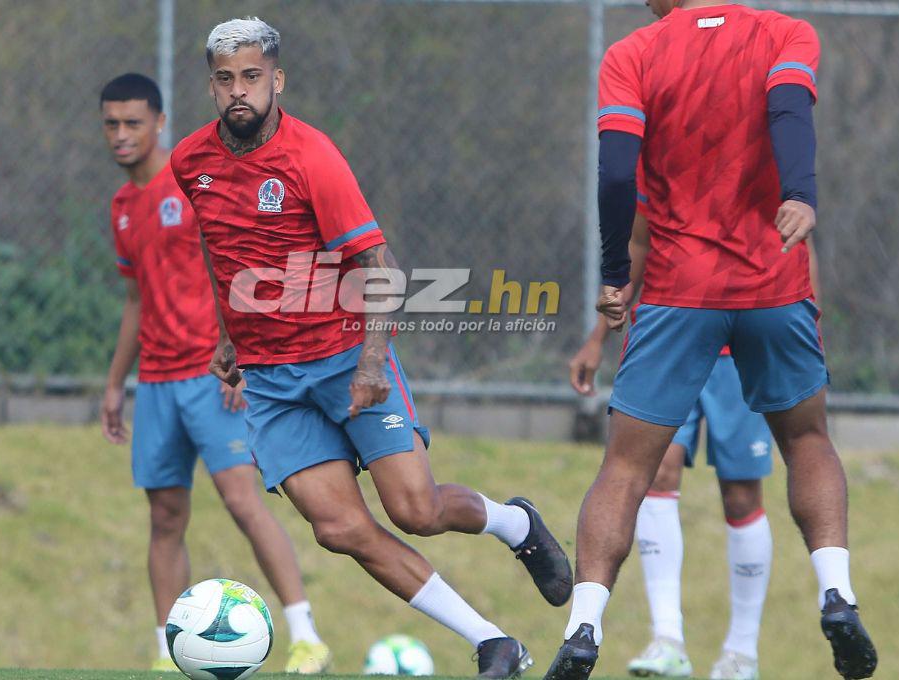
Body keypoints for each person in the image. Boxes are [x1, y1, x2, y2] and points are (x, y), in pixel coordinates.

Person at [169, 18, 573, 678]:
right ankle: (492, 642)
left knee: (416, 510)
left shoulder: (311, 158)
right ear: (210, 86)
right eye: (223, 80)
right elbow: (223, 251)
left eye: (250, 77)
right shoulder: (192, 163)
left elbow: (380, 265)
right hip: (272, 382)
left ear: (276, 80)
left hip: (344, 357)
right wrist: (229, 333)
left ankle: (514, 525)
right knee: (338, 530)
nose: (237, 91)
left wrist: (369, 363)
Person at [543, 2, 878, 679]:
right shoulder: (786, 32)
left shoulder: (632, 53)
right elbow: (789, 112)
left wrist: (611, 274)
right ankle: (836, 594)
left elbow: (615, 172)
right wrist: (800, 194)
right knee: (808, 441)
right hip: (772, 284)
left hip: (676, 292)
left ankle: (584, 629)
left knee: (626, 468)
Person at [99, 73, 330, 674]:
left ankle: (305, 635)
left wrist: (243, 361)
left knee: (242, 500)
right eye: (111, 123)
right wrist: (113, 384)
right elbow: (134, 301)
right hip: (154, 384)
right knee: (165, 516)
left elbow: (240, 266)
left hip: (213, 375)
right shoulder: (123, 207)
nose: (121, 135)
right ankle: (165, 652)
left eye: (133, 123)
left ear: (159, 124)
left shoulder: (192, 186)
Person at [570, 212, 800, 679]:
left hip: (743, 347)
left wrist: (800, 333)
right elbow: (639, 243)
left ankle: (741, 656)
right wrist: (597, 338)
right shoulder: (661, 154)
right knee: (656, 471)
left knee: (741, 494)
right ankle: (667, 639)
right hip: (669, 338)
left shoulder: (763, 152)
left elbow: (798, 244)